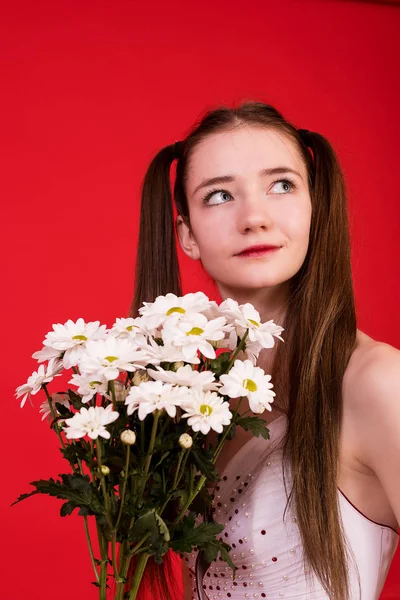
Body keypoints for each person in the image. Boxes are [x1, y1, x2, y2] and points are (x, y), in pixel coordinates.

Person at [128, 101, 400, 600]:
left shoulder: (376, 382)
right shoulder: (187, 396)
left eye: (281, 185)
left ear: (316, 206)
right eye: (219, 195)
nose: (253, 217)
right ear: (186, 234)